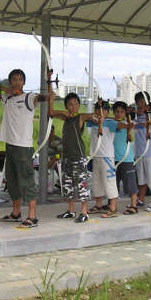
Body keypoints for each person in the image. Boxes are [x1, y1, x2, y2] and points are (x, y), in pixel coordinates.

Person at [0, 69, 46, 228]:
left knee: (26, 181)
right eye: (14, 79)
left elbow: (41, 98)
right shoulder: (8, 97)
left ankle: (32, 216)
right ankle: (16, 213)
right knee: (12, 181)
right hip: (10, 145)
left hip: (23, 147)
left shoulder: (29, 97)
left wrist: (48, 93)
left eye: (20, 79)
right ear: (10, 82)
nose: (17, 82)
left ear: (24, 82)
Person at [49, 92, 97, 222]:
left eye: (76, 104)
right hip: (67, 157)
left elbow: (92, 116)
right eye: (70, 104)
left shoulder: (80, 117)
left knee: (81, 185)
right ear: (66, 106)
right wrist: (53, 102)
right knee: (68, 185)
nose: (74, 106)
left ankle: (84, 212)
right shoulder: (66, 118)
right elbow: (51, 113)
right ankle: (71, 211)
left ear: (79, 105)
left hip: (78, 157)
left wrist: (98, 117)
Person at [86, 100, 120, 218]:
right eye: (98, 109)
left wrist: (105, 118)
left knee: (110, 182)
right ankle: (98, 205)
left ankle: (113, 208)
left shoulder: (111, 123)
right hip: (96, 156)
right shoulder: (92, 121)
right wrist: (98, 118)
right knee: (97, 182)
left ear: (107, 111)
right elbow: (87, 118)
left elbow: (122, 124)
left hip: (107, 157)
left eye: (104, 109)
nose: (101, 111)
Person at [132, 92, 151, 212]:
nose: (140, 104)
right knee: (141, 178)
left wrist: (148, 111)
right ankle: (141, 199)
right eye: (138, 101)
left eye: (142, 101)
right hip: (140, 153)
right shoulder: (136, 117)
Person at [112, 101, 138, 215]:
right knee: (113, 184)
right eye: (117, 112)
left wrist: (129, 124)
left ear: (125, 113)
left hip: (127, 159)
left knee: (130, 184)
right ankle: (112, 205)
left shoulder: (130, 123)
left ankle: (134, 205)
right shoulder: (112, 124)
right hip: (113, 159)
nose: (119, 114)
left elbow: (137, 124)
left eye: (122, 112)